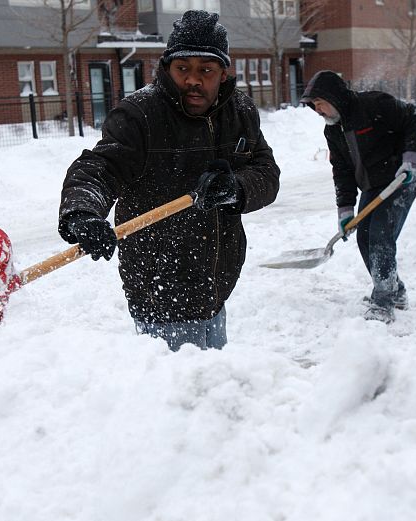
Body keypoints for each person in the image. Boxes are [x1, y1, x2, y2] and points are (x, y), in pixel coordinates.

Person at [57, 10, 280, 350]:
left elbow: (266, 172)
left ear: (222, 73)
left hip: (216, 288)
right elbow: (100, 167)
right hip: (161, 292)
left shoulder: (240, 112)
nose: (193, 80)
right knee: (177, 396)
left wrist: (235, 187)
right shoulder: (140, 115)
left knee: (209, 387)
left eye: (205, 70)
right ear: (167, 68)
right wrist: (82, 213)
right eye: (183, 69)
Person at [300, 70, 416, 324]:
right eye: (314, 107)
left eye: (319, 104)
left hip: (398, 181)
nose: (318, 111)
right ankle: (396, 290)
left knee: (381, 236)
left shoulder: (373, 105)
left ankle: (383, 302)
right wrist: (346, 210)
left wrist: (410, 161)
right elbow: (342, 171)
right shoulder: (333, 131)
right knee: (364, 238)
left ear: (334, 97)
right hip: (373, 187)